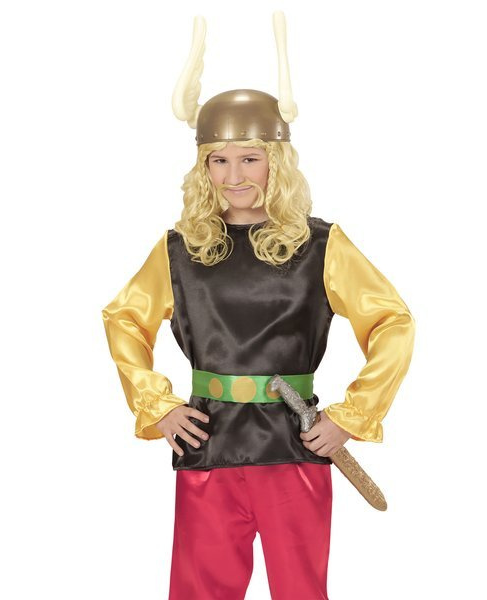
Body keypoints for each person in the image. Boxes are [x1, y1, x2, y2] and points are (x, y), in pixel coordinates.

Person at [101, 12, 415, 600]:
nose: (234, 175)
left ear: (277, 161)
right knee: (200, 590)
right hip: (209, 442)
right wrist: (156, 405)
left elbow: (391, 321)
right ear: (203, 167)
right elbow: (124, 318)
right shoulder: (181, 248)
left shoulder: (320, 245)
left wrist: (351, 415)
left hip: (293, 444)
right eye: (218, 160)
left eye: (249, 158)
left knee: (299, 590)